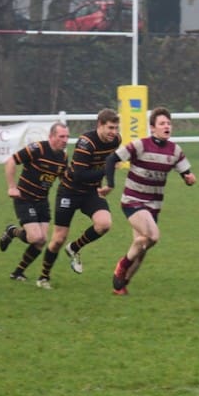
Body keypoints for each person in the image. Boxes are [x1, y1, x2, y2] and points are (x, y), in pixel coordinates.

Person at [105, 107, 196, 296]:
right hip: (133, 200)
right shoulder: (140, 145)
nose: (167, 126)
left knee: (141, 248)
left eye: (169, 123)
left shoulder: (175, 151)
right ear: (152, 128)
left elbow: (185, 172)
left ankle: (120, 285)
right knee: (153, 236)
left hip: (154, 205)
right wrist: (110, 184)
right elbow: (112, 158)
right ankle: (122, 265)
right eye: (162, 123)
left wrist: (189, 178)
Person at [35, 108, 121, 289]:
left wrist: (110, 185)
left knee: (104, 224)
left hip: (91, 192)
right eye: (110, 128)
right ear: (100, 125)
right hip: (70, 190)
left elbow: (112, 163)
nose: (114, 132)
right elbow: (80, 175)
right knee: (58, 238)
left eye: (116, 128)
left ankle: (74, 247)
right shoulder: (85, 142)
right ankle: (43, 277)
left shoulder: (116, 140)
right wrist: (106, 171)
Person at [0, 123, 70, 281]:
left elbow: (65, 180)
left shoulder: (63, 157)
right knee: (36, 237)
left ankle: (18, 272)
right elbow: (10, 161)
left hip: (42, 202)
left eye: (67, 137)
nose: (65, 140)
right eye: (61, 136)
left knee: (41, 241)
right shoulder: (37, 149)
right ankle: (12, 231)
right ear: (51, 137)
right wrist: (12, 187)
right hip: (25, 199)